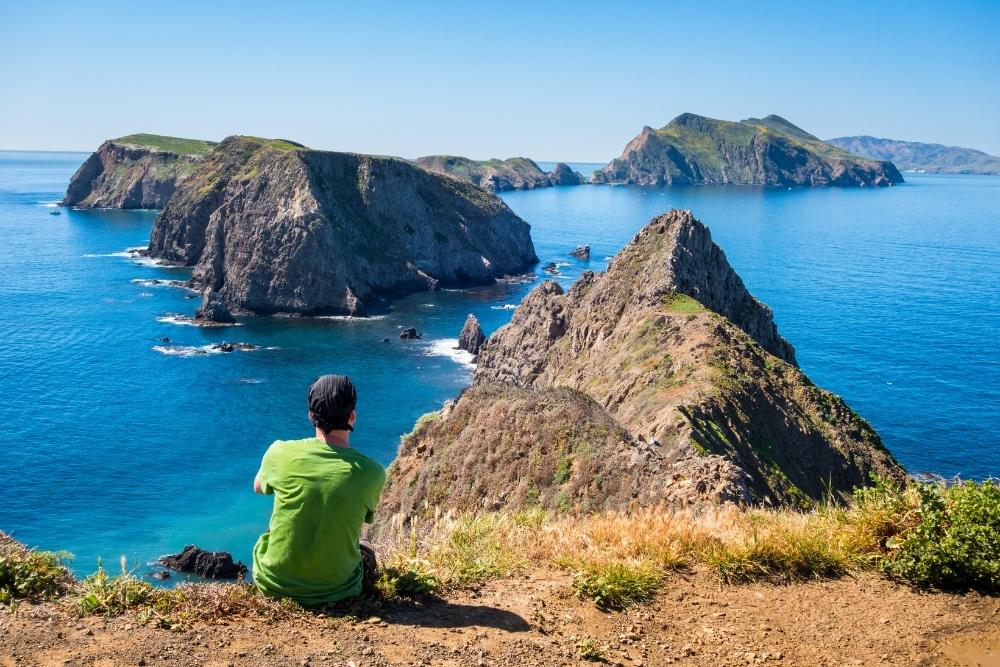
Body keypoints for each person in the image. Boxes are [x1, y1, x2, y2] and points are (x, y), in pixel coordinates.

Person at [252, 374, 386, 605]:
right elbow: (364, 516)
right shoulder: (373, 472)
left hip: (273, 583)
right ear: (352, 416)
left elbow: (258, 487)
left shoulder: (279, 452)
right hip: (339, 588)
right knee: (365, 548)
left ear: (311, 416)